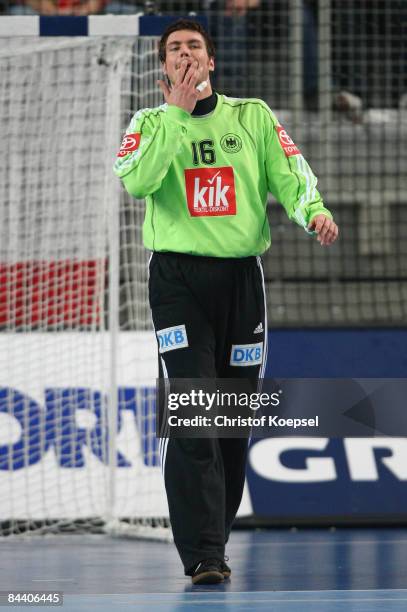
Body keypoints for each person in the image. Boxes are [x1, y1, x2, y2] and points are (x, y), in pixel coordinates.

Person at [113, 18, 338, 585]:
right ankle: (204, 554)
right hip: (178, 282)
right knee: (194, 410)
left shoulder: (252, 116)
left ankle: (217, 536)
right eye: (174, 50)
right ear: (163, 66)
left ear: (211, 61)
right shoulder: (148, 121)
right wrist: (175, 113)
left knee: (232, 418)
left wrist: (313, 210)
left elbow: (290, 172)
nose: (184, 55)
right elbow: (138, 181)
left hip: (240, 280)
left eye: (194, 47)